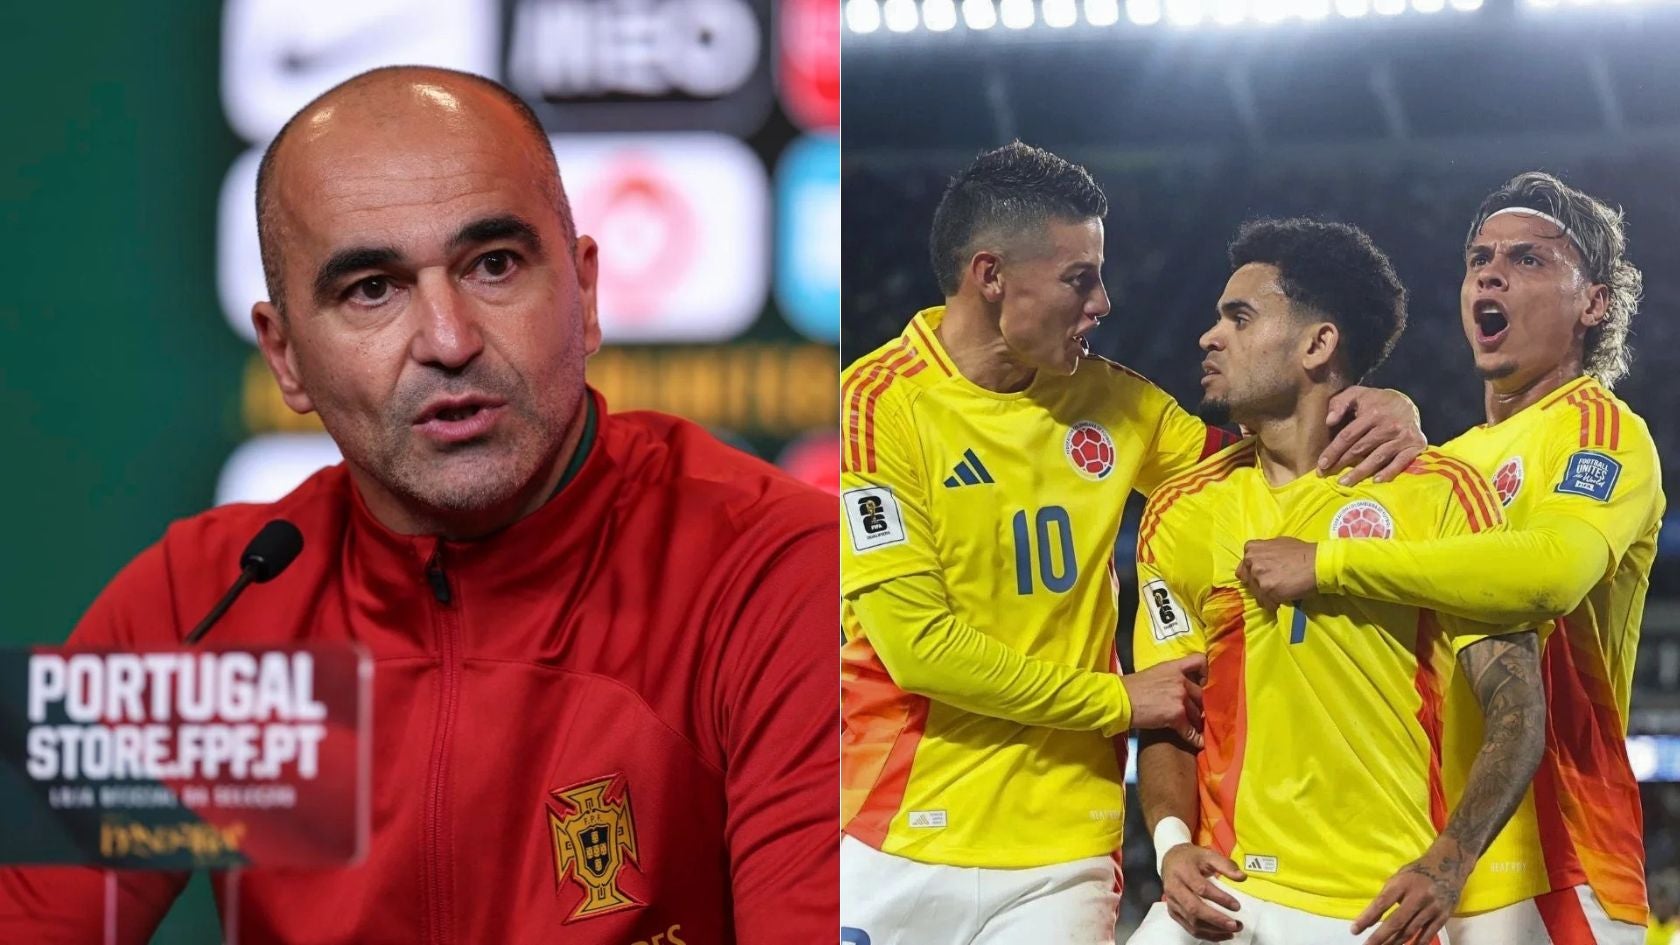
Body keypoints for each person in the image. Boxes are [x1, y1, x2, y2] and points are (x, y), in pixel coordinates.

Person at [0, 67, 837, 944]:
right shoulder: (201, 606)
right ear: (285, 357)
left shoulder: (773, 577)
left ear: (585, 293)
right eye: (372, 287)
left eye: (494, 265)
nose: (448, 339)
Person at [838, 143, 1426, 944]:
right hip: (890, 832)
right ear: (991, 275)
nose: (1104, 302)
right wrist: (1119, 699)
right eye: (1079, 278)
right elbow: (920, 649)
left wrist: (1387, 404)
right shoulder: (876, 405)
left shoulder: (1119, 404)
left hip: (1063, 854)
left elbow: (1278, 460)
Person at [1238, 173, 1663, 944]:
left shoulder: (1600, 431)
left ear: (1593, 304)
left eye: (1529, 259)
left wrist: (1329, 563)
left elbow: (1551, 573)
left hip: (1556, 863)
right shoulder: (1449, 461)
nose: (1492, 274)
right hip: (1427, 862)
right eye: (1480, 259)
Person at [1130, 218, 1545, 945]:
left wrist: (1450, 863)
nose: (1209, 337)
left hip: (1371, 910)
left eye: (1239, 317)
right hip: (1224, 895)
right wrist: (1171, 845)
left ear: (1318, 344)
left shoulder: (1439, 494)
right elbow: (1169, 707)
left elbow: (1517, 706)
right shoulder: (1180, 512)